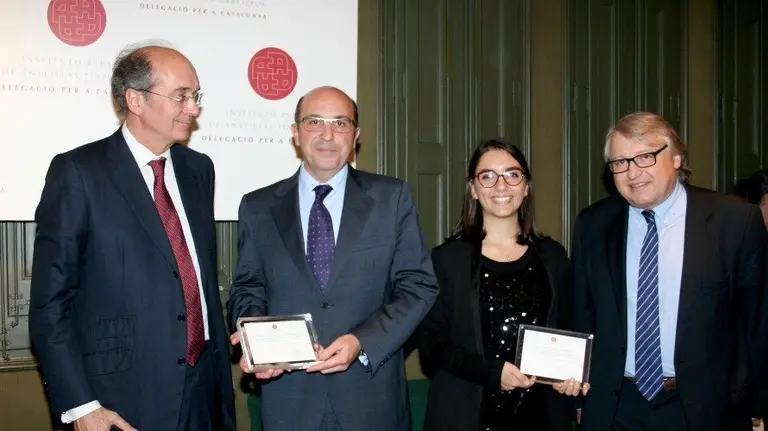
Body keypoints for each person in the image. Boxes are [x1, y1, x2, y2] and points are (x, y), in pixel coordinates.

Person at [28, 43, 236, 431]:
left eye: (195, 96)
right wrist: (81, 405)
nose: (193, 108)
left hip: (205, 391)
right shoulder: (78, 172)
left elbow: (195, 277)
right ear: (136, 100)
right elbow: (49, 304)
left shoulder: (198, 169)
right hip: (122, 398)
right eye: (180, 96)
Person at [227, 85, 439, 431]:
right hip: (289, 401)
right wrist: (257, 342)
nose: (327, 134)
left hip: (371, 401)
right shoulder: (258, 206)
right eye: (314, 122)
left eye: (340, 123)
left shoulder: (391, 198)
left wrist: (361, 341)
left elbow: (418, 287)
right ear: (296, 133)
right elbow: (249, 286)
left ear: (355, 135)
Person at [571, 112, 767, 430]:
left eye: (645, 157)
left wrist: (759, 402)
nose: (633, 172)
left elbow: (757, 321)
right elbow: (583, 314)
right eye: (620, 162)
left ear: (675, 157)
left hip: (706, 407)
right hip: (616, 406)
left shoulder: (734, 222)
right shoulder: (593, 225)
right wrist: (579, 400)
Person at [418, 138, 588, 431]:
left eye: (512, 174)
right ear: (473, 188)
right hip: (467, 415)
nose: (501, 186)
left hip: (541, 416)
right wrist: (492, 372)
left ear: (526, 186)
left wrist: (572, 378)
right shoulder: (447, 260)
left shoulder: (554, 256)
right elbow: (432, 347)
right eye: (487, 176)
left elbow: (571, 329)